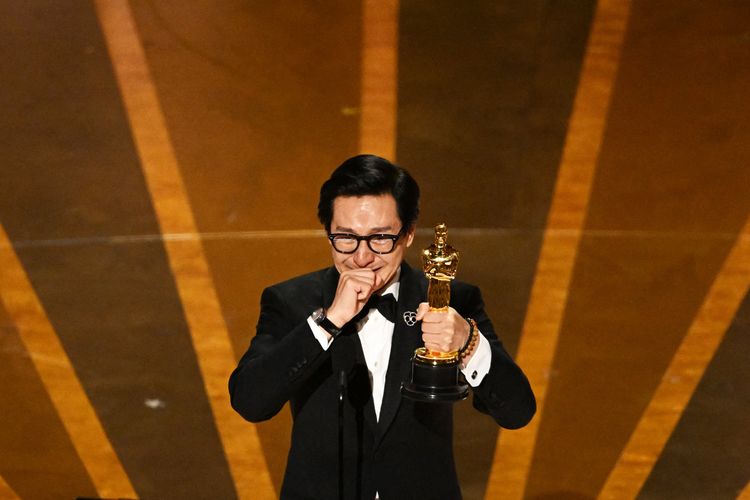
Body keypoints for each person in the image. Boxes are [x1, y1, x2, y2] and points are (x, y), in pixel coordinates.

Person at [229, 154, 535, 500]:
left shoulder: (449, 300)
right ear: (327, 231)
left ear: (407, 234)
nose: (362, 257)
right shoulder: (291, 302)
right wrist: (327, 322)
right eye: (345, 237)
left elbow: (516, 411)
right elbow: (250, 402)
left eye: (380, 238)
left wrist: (468, 343)